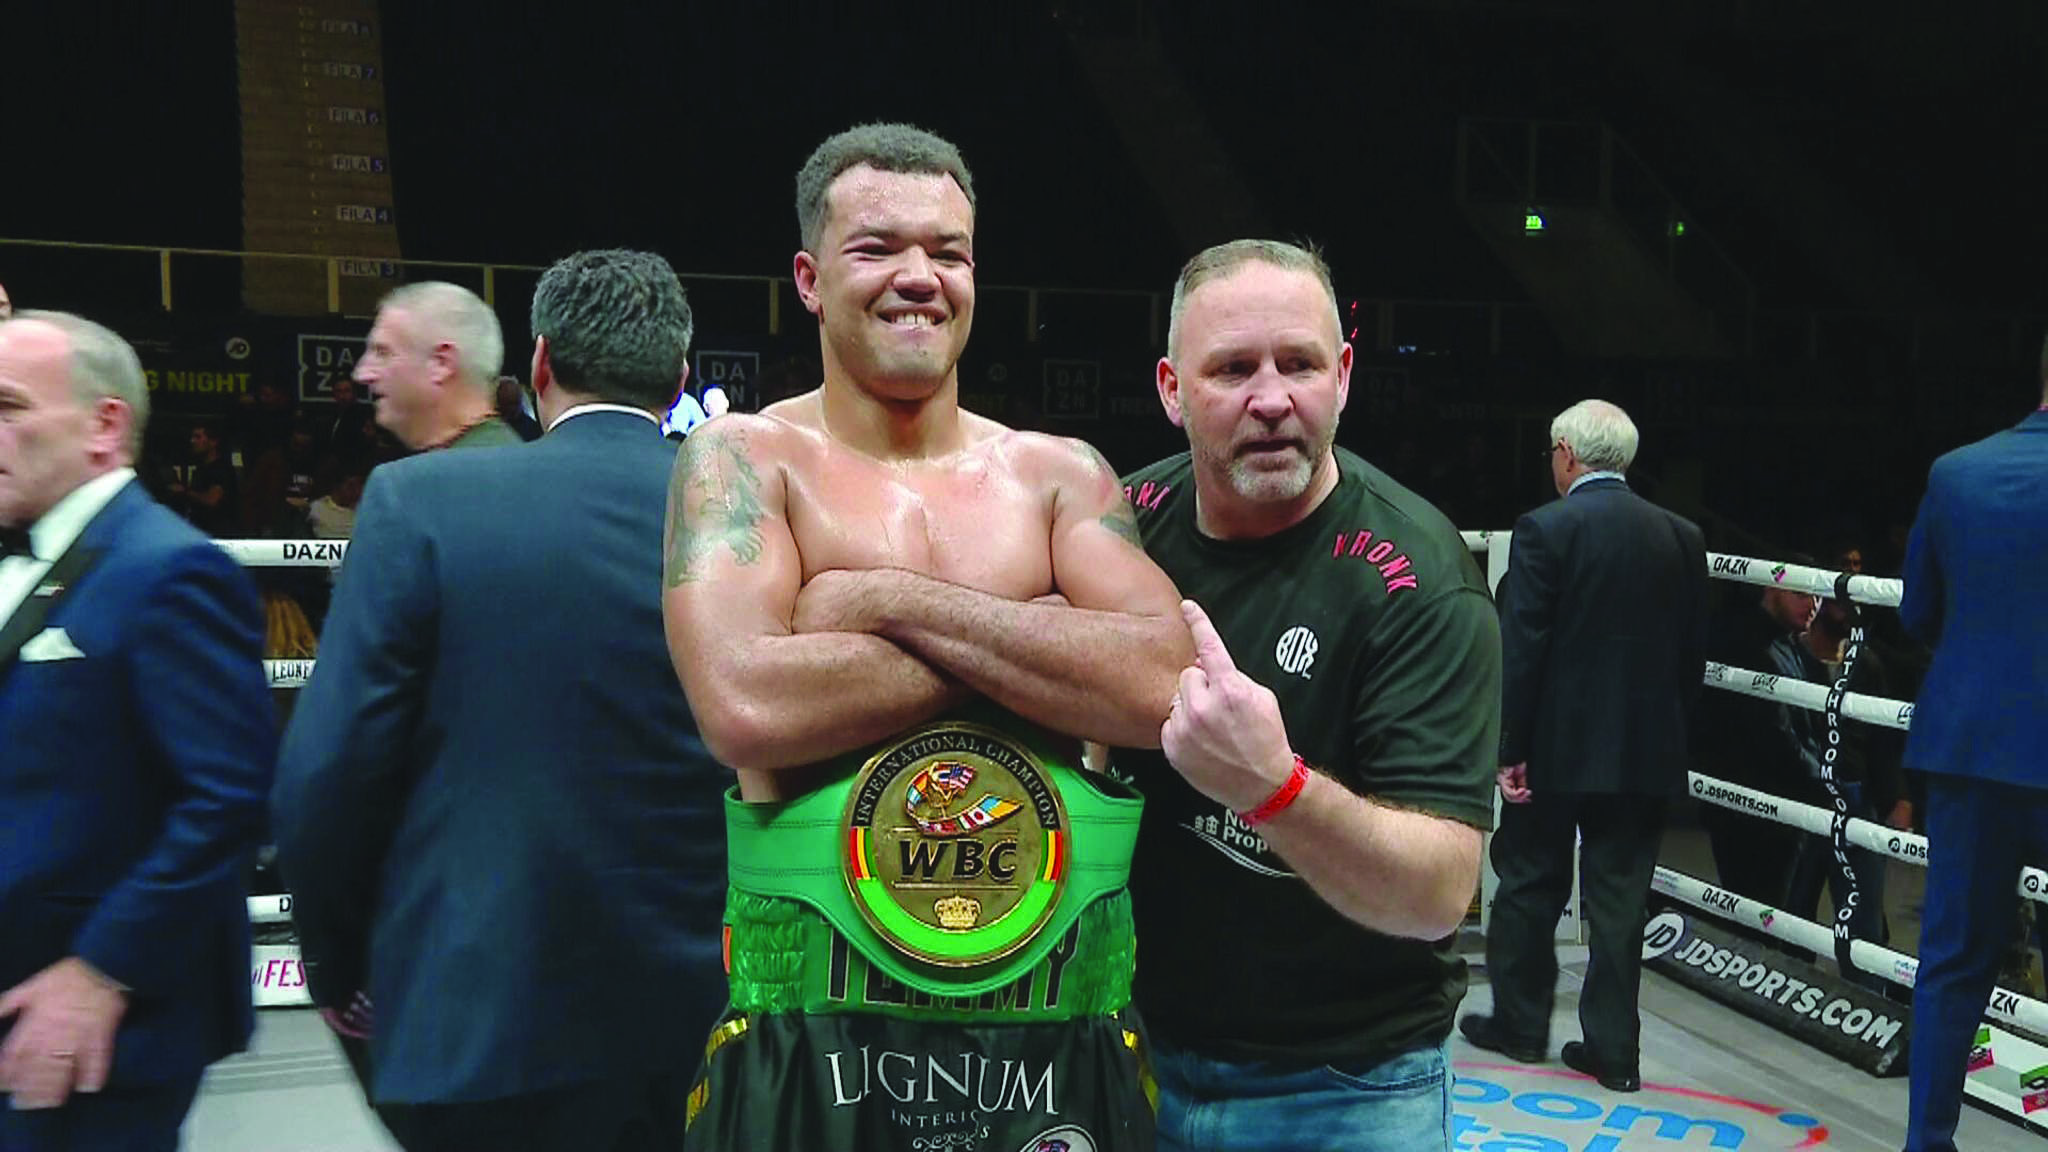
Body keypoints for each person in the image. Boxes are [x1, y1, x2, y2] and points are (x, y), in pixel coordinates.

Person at [665, 122, 1191, 1152]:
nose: (919, 278)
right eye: (878, 249)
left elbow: (1162, 681)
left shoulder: (1056, 474)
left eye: (947, 252)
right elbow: (747, 705)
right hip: (812, 1022)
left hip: (1056, 1014)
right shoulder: (742, 458)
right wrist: (1035, 642)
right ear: (810, 279)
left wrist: (870, 602)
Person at [271, 251, 724, 1152]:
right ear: (679, 377)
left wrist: (331, 963)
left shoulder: (417, 501)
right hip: (713, 1018)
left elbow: (326, 771)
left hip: (479, 1017)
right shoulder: (749, 508)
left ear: (542, 365)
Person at [1114, 239, 1501, 1151]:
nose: (1273, 398)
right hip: (1130, 1049)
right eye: (1233, 368)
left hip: (1349, 1085)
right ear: (1171, 389)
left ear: (1345, 375)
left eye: (1300, 364)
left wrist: (1271, 787)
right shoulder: (1125, 529)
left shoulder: (1420, 579)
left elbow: (1440, 894)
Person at [0, 311, 276, 1148]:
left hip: (96, 1024)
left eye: (8, 406)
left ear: (104, 424)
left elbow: (230, 799)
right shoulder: (34, 558)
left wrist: (100, 972)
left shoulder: (169, 569)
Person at [1457, 400, 1707, 1094]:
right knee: (1622, 900)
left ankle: (1520, 1023)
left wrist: (1510, 745)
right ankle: (1616, 1053)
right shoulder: (1681, 535)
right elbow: (1693, 656)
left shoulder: (1547, 528)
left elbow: (1525, 646)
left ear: (1566, 452)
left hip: (1556, 747)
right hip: (1644, 748)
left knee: (1531, 881)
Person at [1899, 365, 2048, 1152]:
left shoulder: (1957, 472)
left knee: (1952, 960)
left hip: (1970, 747)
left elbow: (1918, 609)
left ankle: (1927, 1143)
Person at [351, 281, 521, 453]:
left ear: (441, 363)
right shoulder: (519, 461)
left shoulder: (405, 478)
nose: (362, 374)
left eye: (383, 352)